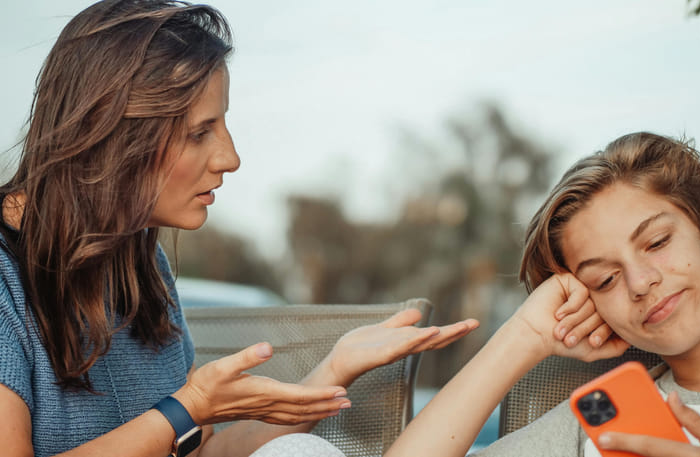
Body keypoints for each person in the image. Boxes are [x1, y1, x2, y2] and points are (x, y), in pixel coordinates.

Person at [0, 2, 478, 457]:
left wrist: (336, 366)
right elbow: (182, 422)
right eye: (198, 133)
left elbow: (203, 448)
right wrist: (184, 410)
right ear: (112, 135)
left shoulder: (142, 269)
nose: (230, 158)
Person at [383, 132, 700, 456]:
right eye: (605, 280)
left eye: (658, 242)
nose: (640, 283)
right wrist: (524, 336)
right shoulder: (598, 423)